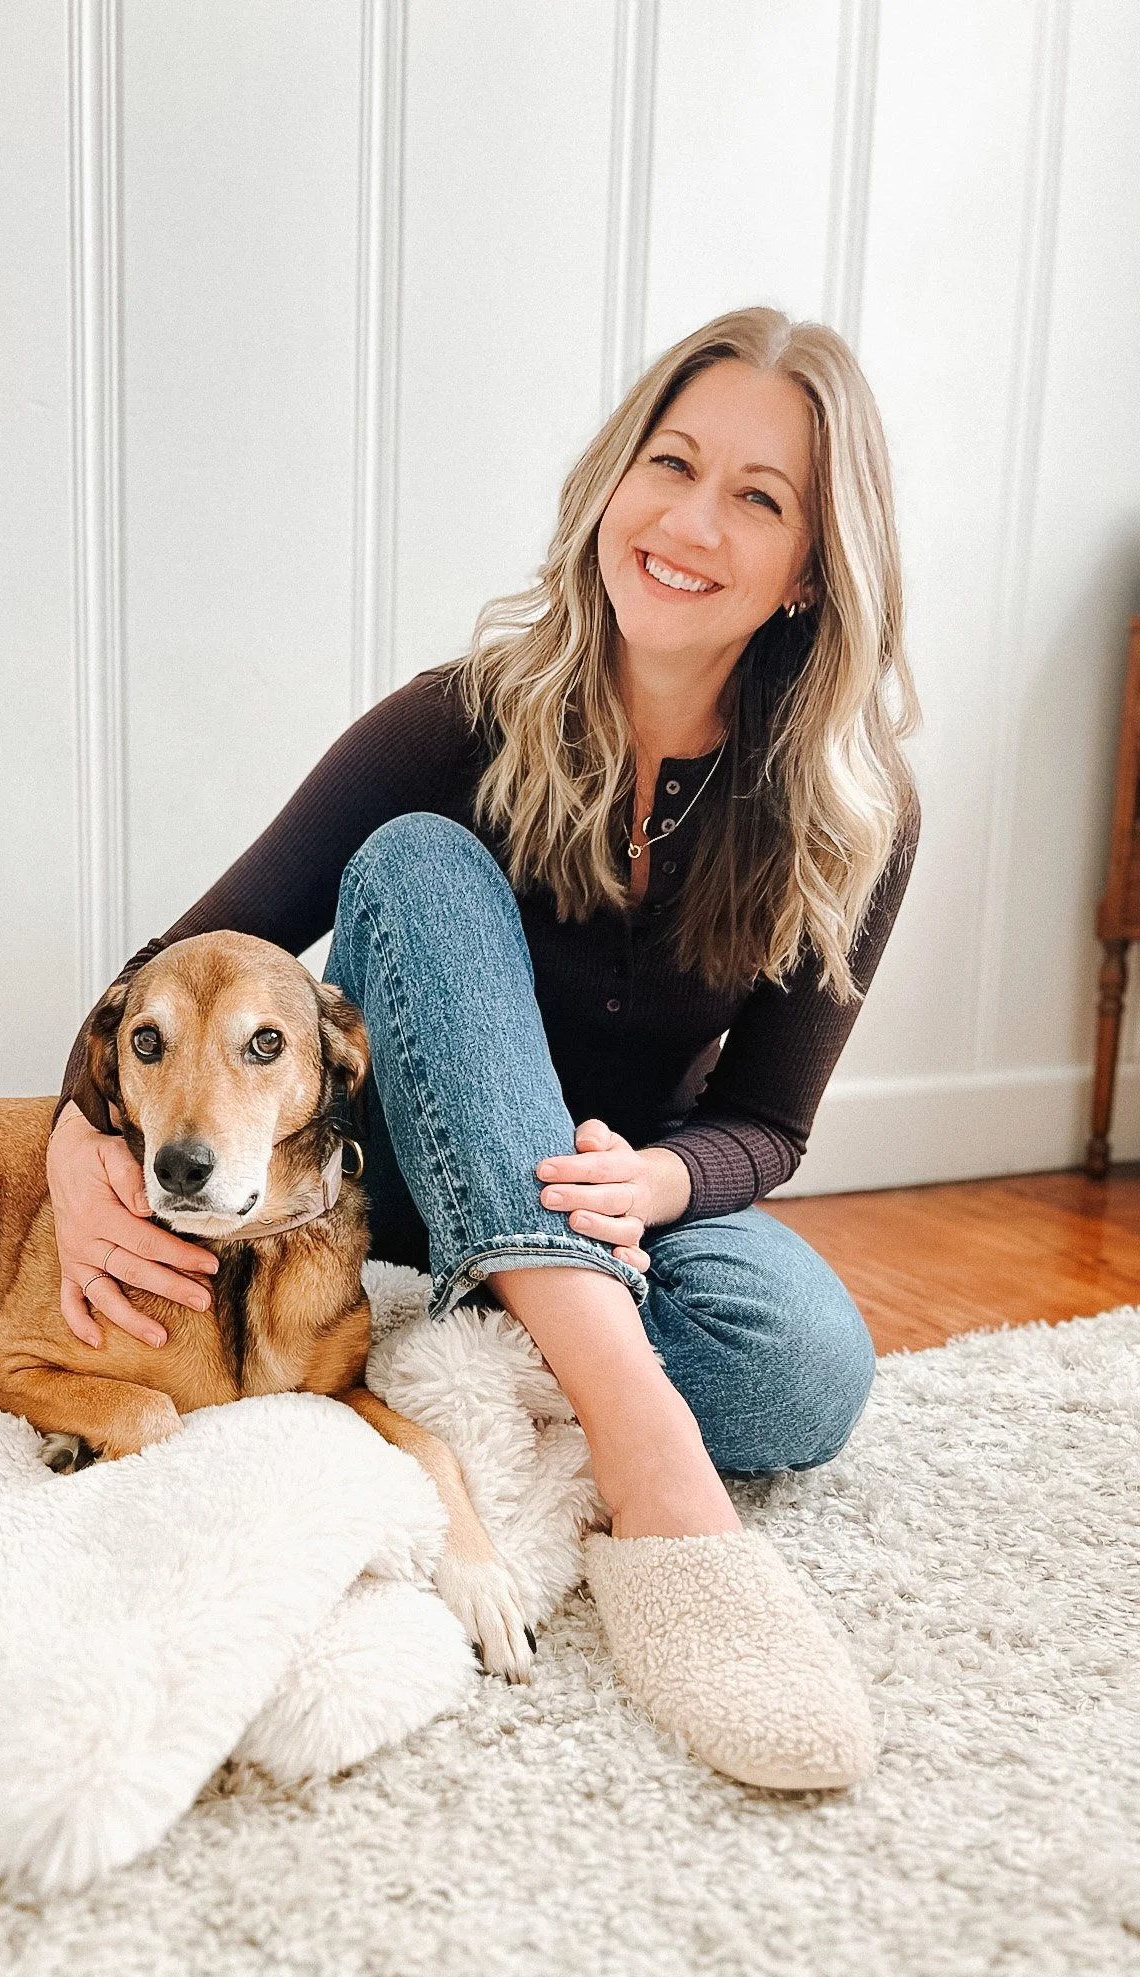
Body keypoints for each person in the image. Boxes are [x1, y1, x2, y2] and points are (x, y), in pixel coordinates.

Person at [46, 306, 919, 1790]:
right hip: (406, 1176)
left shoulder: (850, 812)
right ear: (612, 484)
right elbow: (171, 970)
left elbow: (769, 1126)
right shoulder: (457, 722)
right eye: (673, 462)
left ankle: (499, 1345)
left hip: (606, 1205)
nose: (692, 520)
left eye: (758, 498)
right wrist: (75, 1142)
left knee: (812, 1366)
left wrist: (657, 1181)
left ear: (811, 569)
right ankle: (647, 1463)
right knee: (415, 865)